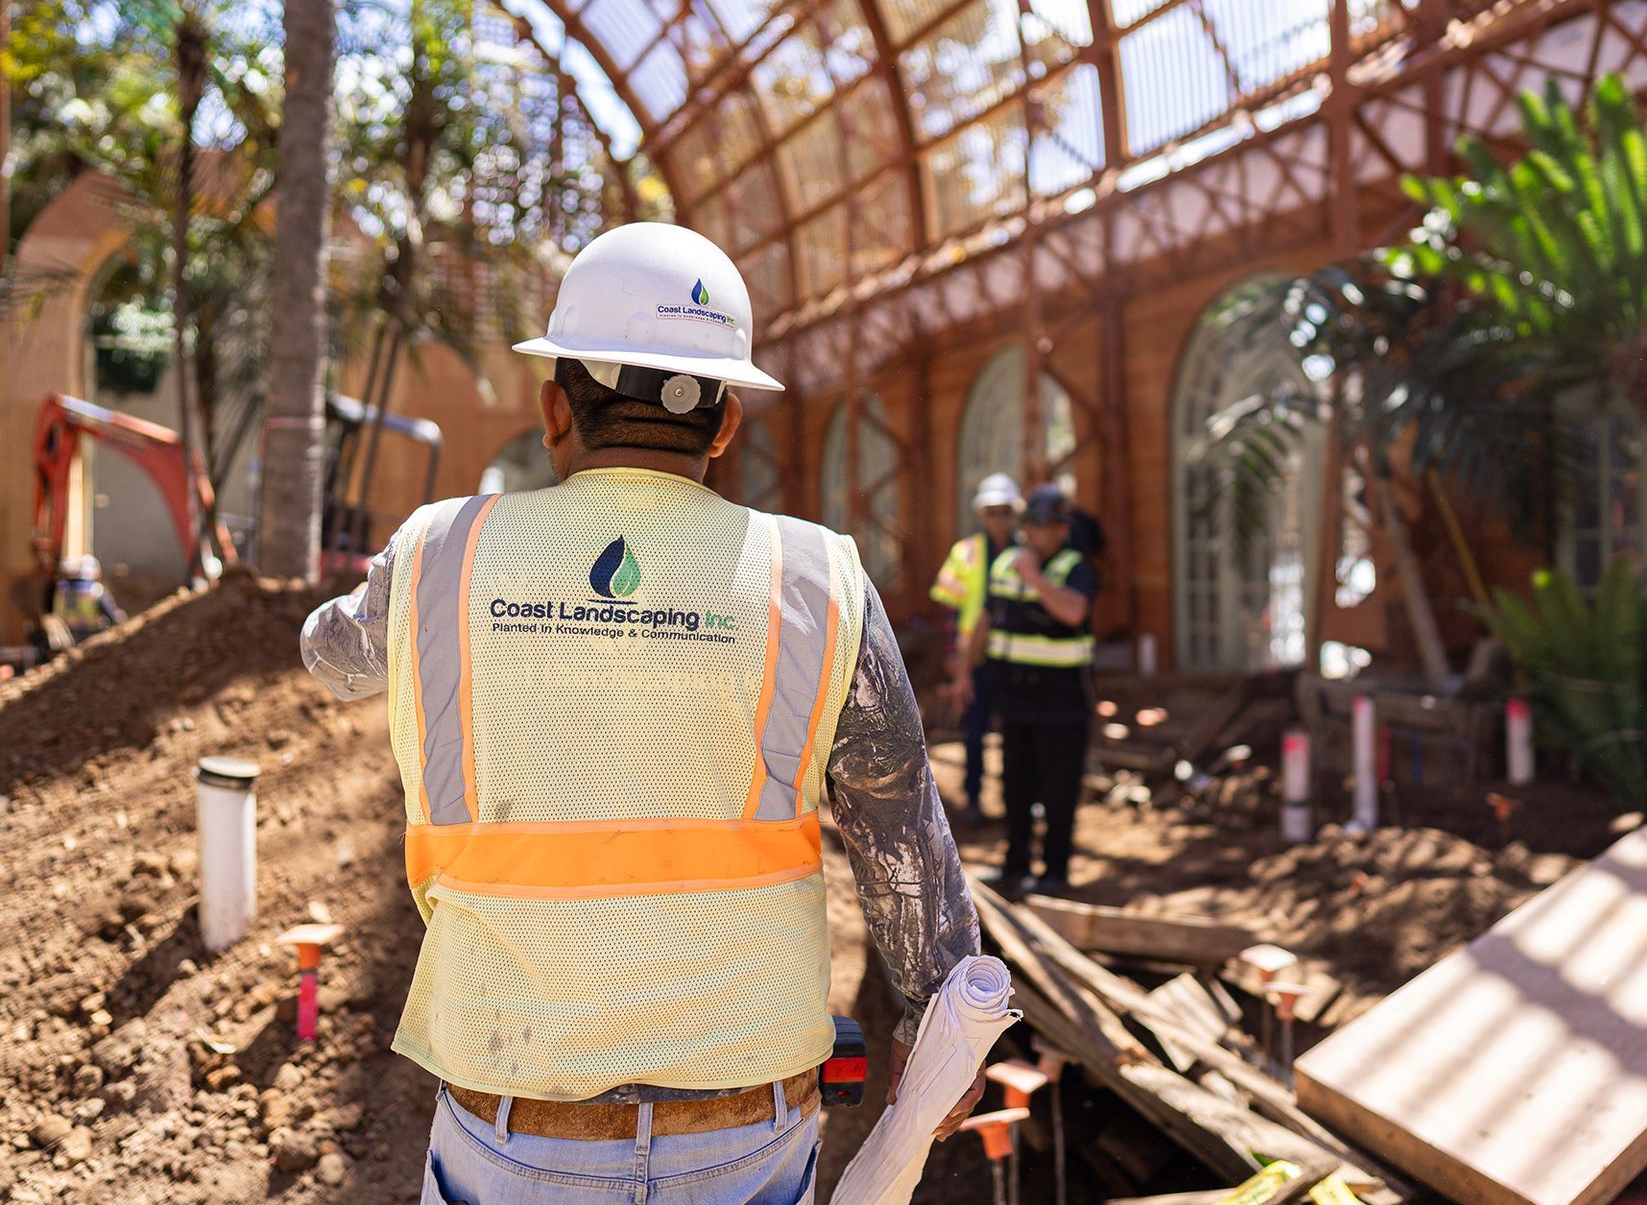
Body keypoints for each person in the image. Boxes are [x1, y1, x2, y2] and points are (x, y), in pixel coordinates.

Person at [299, 223, 984, 1205]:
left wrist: (364, 593)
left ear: (551, 408)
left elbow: (336, 660)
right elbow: (896, 808)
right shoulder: (817, 576)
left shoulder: (437, 554)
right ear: (724, 424)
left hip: (516, 1114)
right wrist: (935, 1005)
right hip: (745, 1118)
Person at [960, 483, 1096, 898]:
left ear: (1061, 530)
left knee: (1059, 791)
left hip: (1062, 704)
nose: (1032, 534)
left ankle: (1055, 872)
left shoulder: (1076, 568)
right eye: (1030, 525)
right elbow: (985, 620)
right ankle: (1015, 866)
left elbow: (1073, 611)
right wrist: (965, 672)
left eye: (1042, 526)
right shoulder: (1005, 565)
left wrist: (1033, 577)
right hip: (1016, 701)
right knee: (1015, 787)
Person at [928, 473, 1021, 826]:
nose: (999, 519)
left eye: (1004, 512)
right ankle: (973, 800)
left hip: (1013, 656)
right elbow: (950, 612)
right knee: (975, 731)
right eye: (992, 512)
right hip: (974, 661)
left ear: (1014, 514)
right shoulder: (965, 552)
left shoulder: (1024, 551)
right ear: (983, 514)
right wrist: (954, 658)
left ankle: (1017, 799)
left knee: (1016, 732)